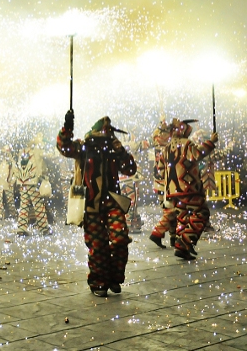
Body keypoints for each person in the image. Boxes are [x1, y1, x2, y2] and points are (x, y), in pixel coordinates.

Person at [57, 112, 137, 297]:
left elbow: (130, 169)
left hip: (112, 204)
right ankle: (99, 282)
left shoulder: (113, 150)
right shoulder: (84, 148)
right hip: (90, 206)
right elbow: (64, 147)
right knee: (98, 246)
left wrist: (121, 151)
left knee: (120, 239)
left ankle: (115, 278)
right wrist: (67, 128)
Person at [163, 118, 217, 260]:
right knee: (201, 213)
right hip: (188, 188)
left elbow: (162, 167)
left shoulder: (167, 147)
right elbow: (197, 155)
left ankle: (183, 248)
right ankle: (185, 242)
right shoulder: (186, 143)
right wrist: (211, 142)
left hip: (172, 191)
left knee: (183, 218)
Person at [149, 120, 175, 248]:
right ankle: (157, 233)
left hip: (162, 184)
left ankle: (173, 238)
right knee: (171, 211)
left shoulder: (161, 146)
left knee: (171, 211)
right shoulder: (164, 147)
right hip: (164, 184)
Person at [14, 147, 51, 236]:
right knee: (38, 204)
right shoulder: (37, 150)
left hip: (22, 181)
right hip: (32, 181)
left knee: (24, 205)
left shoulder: (22, 150)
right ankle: (44, 228)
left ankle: (21, 228)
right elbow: (51, 156)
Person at [0, 145, 16, 220]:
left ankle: (12, 213)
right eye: (3, 153)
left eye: (6, 153)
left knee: (10, 199)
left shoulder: (11, 162)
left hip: (8, 183)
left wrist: (12, 181)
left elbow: (15, 173)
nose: (4, 154)